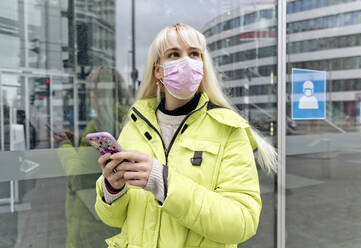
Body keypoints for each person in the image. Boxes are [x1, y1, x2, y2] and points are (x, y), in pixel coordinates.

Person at [95, 23, 277, 248]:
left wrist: (163, 182)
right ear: (157, 70)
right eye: (174, 54)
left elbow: (242, 223)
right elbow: (112, 219)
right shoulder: (135, 124)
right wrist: (112, 188)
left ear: (202, 65)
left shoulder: (229, 129)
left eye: (194, 54)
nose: (187, 62)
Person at [55, 66, 131, 247]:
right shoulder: (128, 119)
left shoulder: (98, 125)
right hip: (114, 220)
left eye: (92, 92)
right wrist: (77, 142)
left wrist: (64, 146)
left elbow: (78, 178)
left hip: (89, 221)